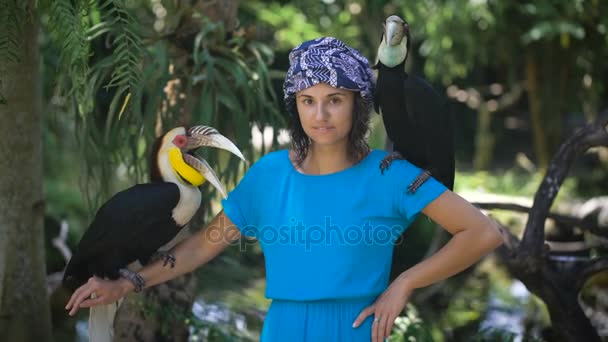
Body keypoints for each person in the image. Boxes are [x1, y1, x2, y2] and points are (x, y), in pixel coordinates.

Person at [66, 37, 504, 342]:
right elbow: (202, 247)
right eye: (307, 100)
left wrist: (405, 282)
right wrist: (126, 284)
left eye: (335, 99)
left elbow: (482, 232)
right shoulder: (269, 174)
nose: (321, 114)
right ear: (294, 106)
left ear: (358, 104)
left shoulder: (390, 173)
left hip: (357, 329)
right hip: (283, 329)